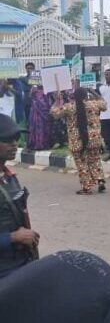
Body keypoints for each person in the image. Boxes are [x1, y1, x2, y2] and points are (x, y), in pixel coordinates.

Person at [0, 114, 39, 278]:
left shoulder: (9, 177)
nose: (14, 144)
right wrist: (12, 238)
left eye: (16, 138)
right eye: (7, 139)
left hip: (21, 263)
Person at [51, 88, 107, 195]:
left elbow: (55, 113)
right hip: (94, 139)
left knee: (82, 164)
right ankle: (100, 180)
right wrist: (94, 93)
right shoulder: (94, 104)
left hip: (78, 140)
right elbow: (104, 104)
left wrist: (57, 100)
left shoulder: (69, 107)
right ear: (86, 95)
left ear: (74, 96)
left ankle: (86, 188)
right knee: (95, 160)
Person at [26, 86, 52, 151]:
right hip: (36, 111)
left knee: (40, 126)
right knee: (37, 126)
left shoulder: (41, 90)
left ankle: (38, 144)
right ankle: (39, 144)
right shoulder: (37, 89)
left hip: (37, 110)